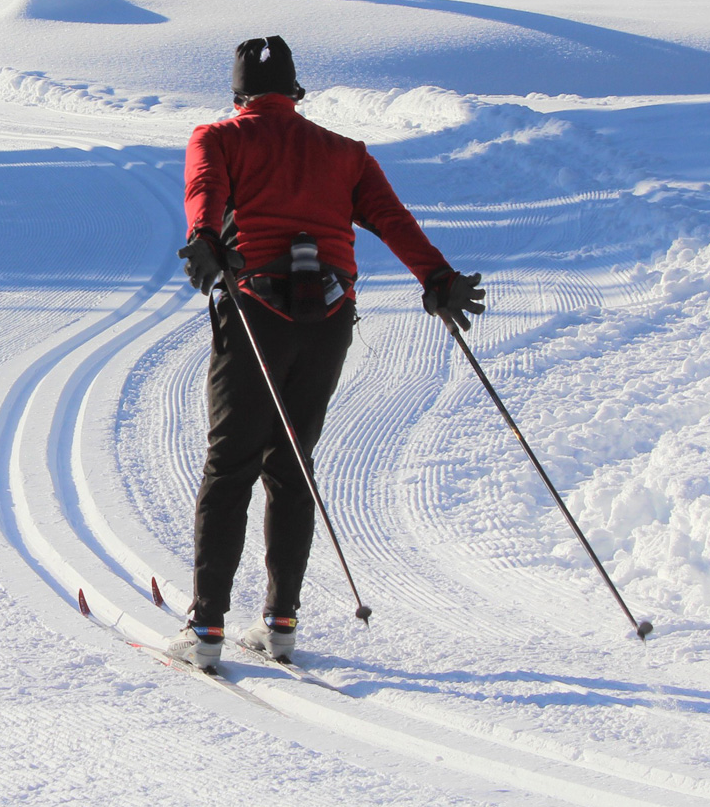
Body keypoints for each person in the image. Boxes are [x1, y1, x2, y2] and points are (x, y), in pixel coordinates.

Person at [164, 37, 485, 672]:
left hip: (255, 307)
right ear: (295, 93)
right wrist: (438, 280)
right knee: (292, 462)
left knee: (229, 466)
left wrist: (204, 237)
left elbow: (205, 188)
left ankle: (206, 631)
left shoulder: (218, 137)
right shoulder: (346, 153)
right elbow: (394, 221)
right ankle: (280, 623)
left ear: (238, 95)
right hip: (329, 317)